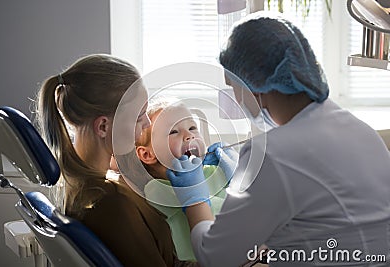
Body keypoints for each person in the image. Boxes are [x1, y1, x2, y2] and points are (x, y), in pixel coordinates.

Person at [165, 12, 390, 267]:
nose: (237, 99)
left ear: (255, 85)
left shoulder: (270, 153)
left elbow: (216, 258)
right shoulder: (359, 130)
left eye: (234, 87)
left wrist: (194, 198)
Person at [35, 54, 193, 267]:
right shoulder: (109, 203)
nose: (147, 123)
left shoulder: (81, 183)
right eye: (139, 116)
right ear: (103, 127)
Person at [134, 97, 235, 262]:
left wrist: (240, 175)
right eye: (173, 131)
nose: (189, 135)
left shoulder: (216, 170)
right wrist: (191, 197)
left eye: (192, 127)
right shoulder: (155, 190)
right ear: (147, 154)